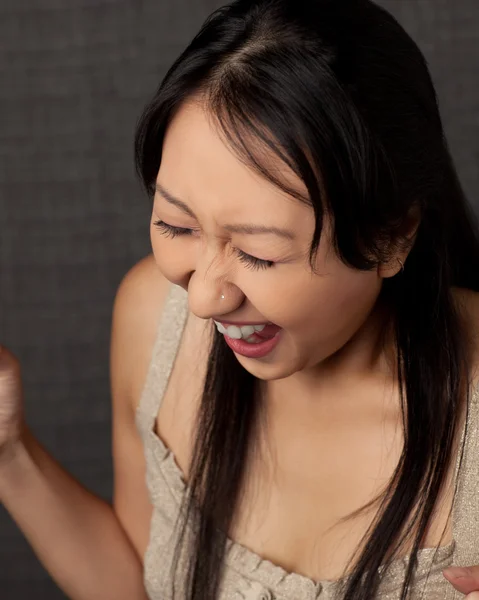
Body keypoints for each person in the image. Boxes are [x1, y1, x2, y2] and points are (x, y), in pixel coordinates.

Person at [1, 0, 479, 598]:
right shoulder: (154, 318)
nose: (202, 298)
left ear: (390, 236)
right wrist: (9, 453)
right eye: (176, 225)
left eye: (258, 254)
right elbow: (139, 585)